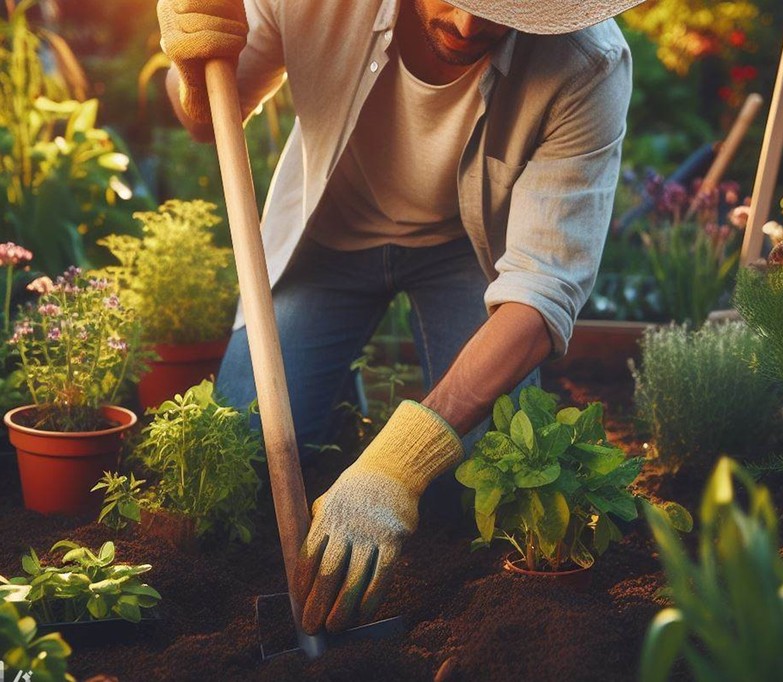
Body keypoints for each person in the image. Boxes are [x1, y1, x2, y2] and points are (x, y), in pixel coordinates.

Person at [158, 0, 641, 635]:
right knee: (243, 461)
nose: (470, 27)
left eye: (502, 10)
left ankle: (362, 439)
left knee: (472, 489)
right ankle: (333, 405)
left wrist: (398, 464)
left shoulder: (587, 63)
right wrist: (194, 69)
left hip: (470, 254)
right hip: (327, 236)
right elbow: (208, 120)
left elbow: (541, 291)